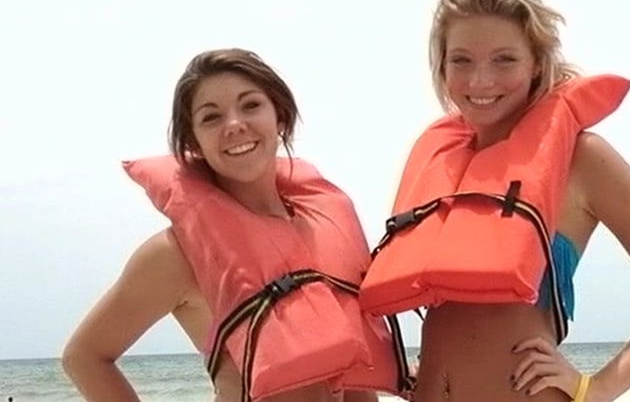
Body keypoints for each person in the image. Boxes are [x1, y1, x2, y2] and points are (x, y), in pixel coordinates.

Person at [359, 0, 630, 401]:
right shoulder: (440, 165)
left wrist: (597, 388)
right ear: (442, 65)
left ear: (537, 63)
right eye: (462, 60)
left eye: (504, 59)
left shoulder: (584, 160)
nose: (480, 80)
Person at [62, 48, 403, 402]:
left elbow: (356, 381)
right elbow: (84, 357)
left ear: (280, 117)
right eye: (211, 117)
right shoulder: (176, 254)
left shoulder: (326, 228)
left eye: (251, 105)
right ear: (193, 141)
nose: (234, 124)